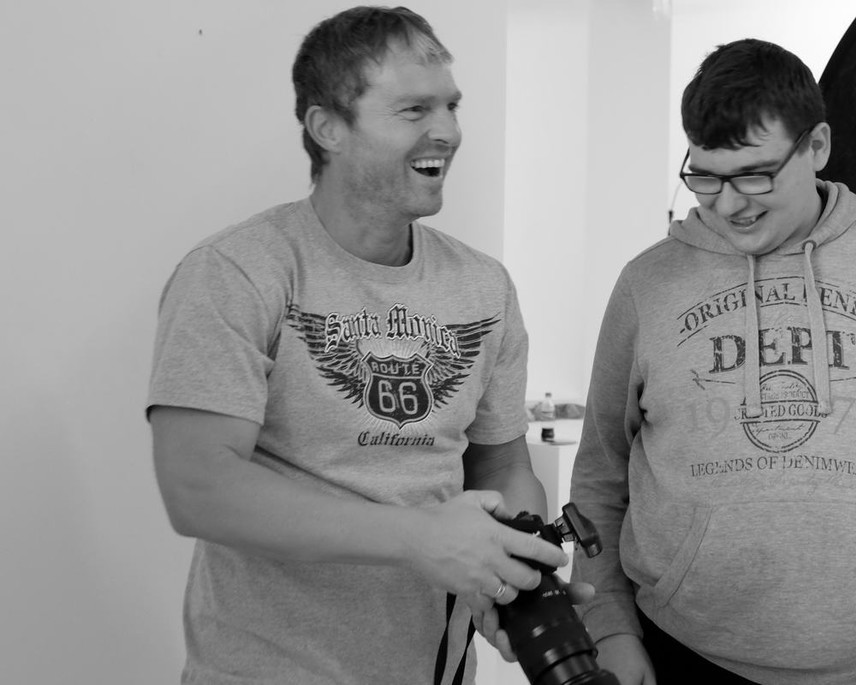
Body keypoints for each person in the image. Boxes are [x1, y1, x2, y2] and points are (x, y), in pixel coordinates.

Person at [569, 38, 856, 685]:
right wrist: (608, 622)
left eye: (756, 174)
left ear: (817, 146)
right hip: (683, 651)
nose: (729, 203)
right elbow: (600, 473)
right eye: (706, 176)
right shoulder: (647, 284)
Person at [146, 7, 571, 684]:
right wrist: (421, 539)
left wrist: (514, 571)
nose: (447, 130)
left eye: (452, 106)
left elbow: (499, 462)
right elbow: (199, 487)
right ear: (328, 128)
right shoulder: (238, 271)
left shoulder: (483, 285)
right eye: (414, 109)